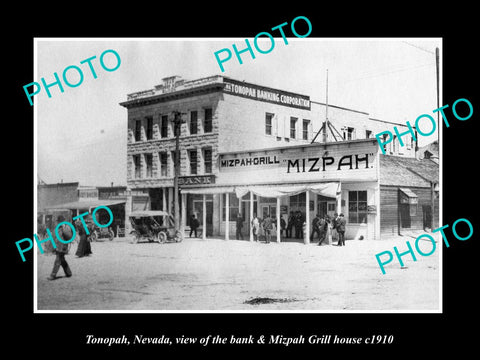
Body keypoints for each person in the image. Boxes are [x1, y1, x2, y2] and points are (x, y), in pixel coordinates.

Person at [47, 215, 72, 280]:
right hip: (58, 246)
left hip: (63, 246)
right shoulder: (57, 228)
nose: (58, 222)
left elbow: (69, 236)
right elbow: (54, 237)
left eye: (59, 221)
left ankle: (53, 275)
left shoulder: (66, 227)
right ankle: (68, 273)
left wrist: (64, 229)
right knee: (62, 260)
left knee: (58, 260)